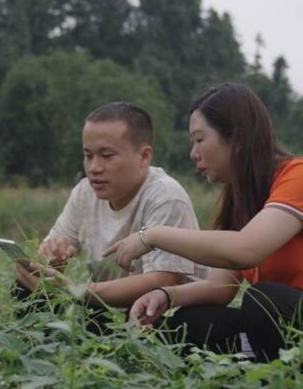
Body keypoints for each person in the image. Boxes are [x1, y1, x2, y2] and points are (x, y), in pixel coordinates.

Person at [103, 83, 303, 386]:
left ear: (238, 138)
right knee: (190, 322)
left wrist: (151, 235)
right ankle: (261, 373)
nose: (193, 153)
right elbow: (221, 288)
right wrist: (165, 295)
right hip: (302, 334)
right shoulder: (240, 200)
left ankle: (269, 376)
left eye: (200, 139)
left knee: (264, 300)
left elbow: (246, 250)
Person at [14, 102, 207, 316]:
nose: (94, 168)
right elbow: (49, 255)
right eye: (88, 155)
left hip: (159, 313)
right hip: (107, 308)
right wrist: (51, 260)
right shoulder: (84, 193)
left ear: (144, 156)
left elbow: (163, 280)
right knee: (27, 285)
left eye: (107, 156)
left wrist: (77, 290)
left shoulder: (165, 196)